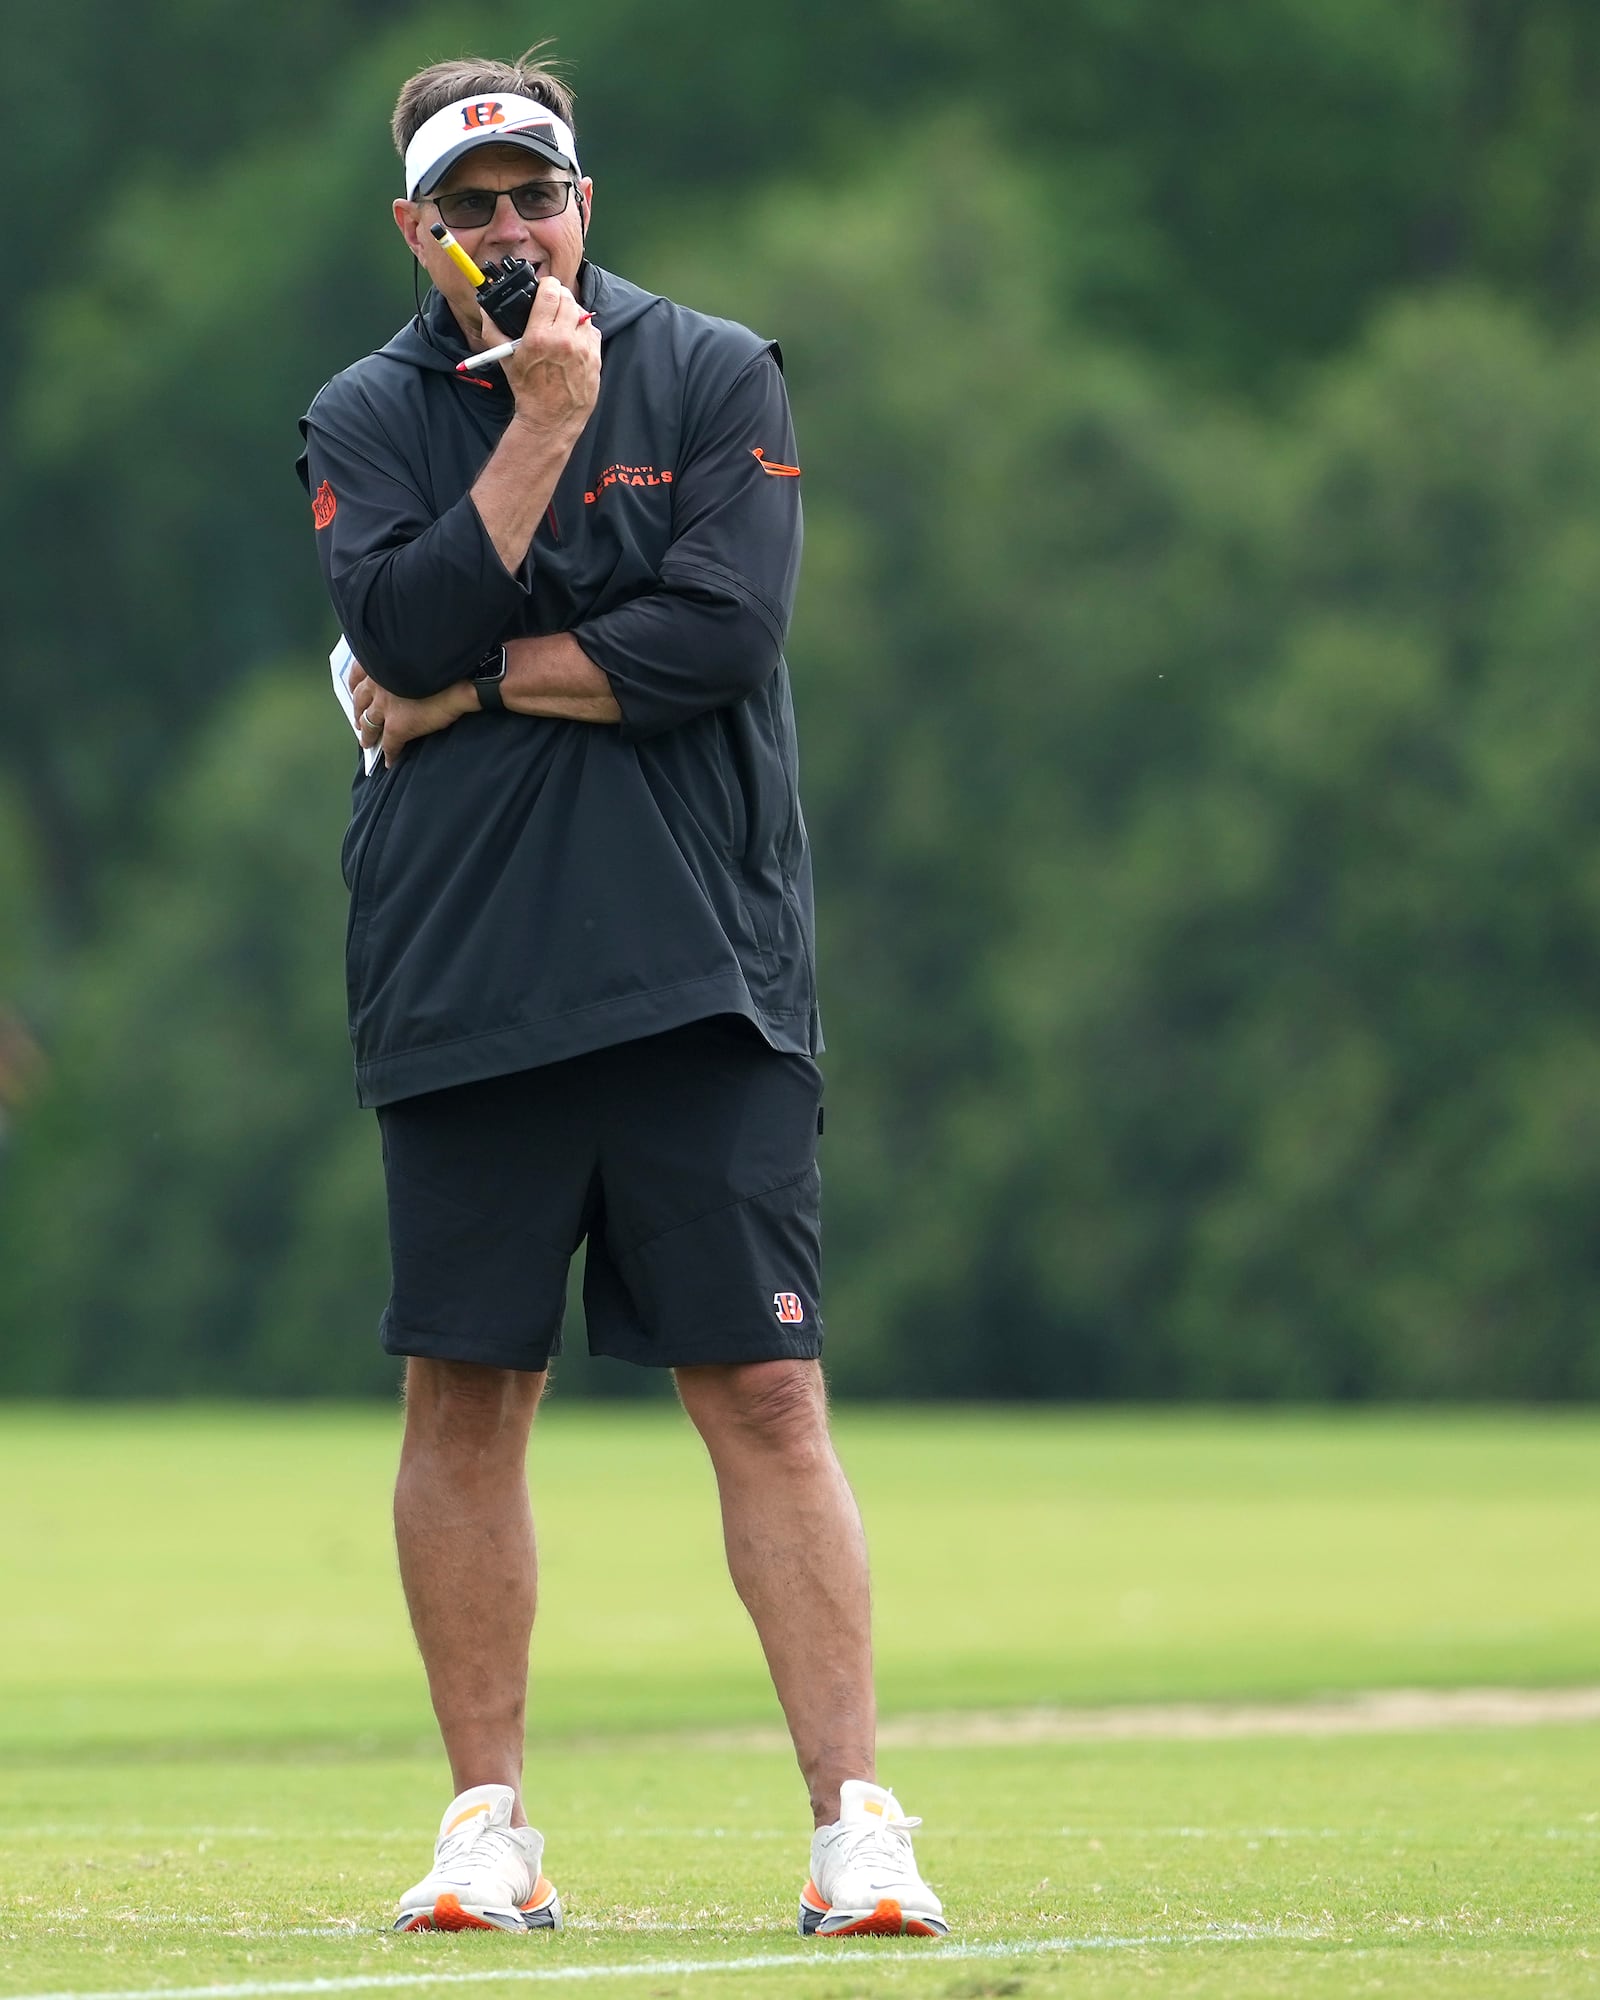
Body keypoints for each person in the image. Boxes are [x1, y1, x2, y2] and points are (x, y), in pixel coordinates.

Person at [295, 50, 947, 1941]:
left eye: (537, 192)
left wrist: (488, 681)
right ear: (420, 231)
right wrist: (536, 430)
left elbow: (721, 634)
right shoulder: (365, 409)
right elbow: (393, 624)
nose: (511, 229)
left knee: (764, 1389)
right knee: (463, 1396)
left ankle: (856, 1832)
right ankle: (487, 1827)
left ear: (586, 198)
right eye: (471, 205)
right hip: (462, 972)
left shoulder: (717, 370)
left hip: (700, 976)